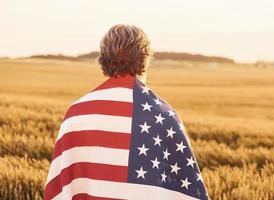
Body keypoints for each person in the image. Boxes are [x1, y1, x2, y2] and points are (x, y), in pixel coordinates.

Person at [44, 24, 209, 200]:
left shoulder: (76, 114)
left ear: (104, 60)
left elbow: (59, 191)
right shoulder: (166, 116)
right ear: (145, 60)